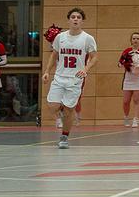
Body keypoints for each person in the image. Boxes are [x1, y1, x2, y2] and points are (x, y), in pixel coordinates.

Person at [42, 8, 98, 148]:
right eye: (73, 17)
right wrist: (47, 71)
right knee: (52, 106)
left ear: (82, 20)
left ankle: (64, 137)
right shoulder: (60, 37)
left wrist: (85, 69)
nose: (75, 19)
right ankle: (64, 115)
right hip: (60, 77)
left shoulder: (88, 38)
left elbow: (94, 57)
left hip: (75, 79)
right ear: (68, 20)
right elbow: (54, 55)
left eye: (78, 17)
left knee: (69, 110)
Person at [118, 32, 139, 127]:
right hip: (128, 78)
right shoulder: (126, 51)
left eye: (137, 38)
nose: (135, 40)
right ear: (131, 40)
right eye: (134, 38)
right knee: (126, 101)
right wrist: (127, 63)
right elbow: (119, 64)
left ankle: (136, 119)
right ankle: (126, 117)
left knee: (136, 100)